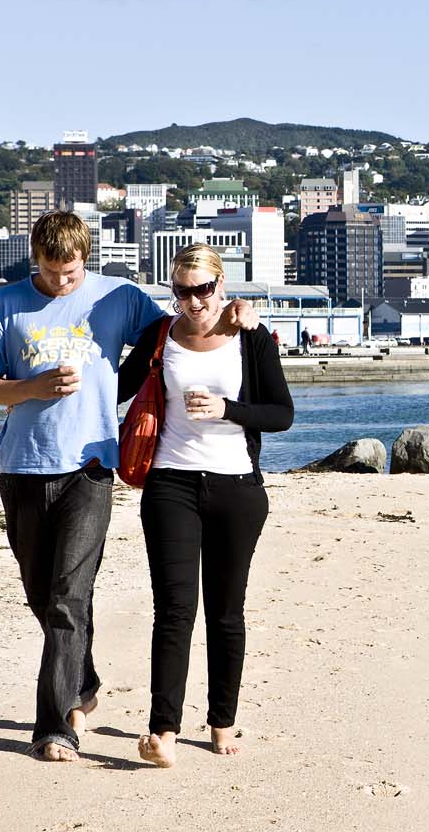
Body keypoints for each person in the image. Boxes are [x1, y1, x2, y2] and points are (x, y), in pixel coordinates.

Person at [0, 213, 253, 762]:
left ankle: (54, 728)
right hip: (22, 468)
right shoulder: (4, 304)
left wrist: (239, 310)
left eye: (70, 272)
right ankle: (82, 681)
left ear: (85, 258)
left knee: (67, 599)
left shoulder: (118, 298)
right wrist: (31, 387)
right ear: (36, 259)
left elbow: (181, 324)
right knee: (41, 595)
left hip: (93, 467)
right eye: (50, 273)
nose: (60, 283)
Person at [118, 243, 293, 769]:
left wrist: (227, 408)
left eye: (203, 289)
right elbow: (114, 387)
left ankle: (221, 722)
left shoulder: (251, 338)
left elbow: (281, 414)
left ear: (222, 285)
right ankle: (162, 731)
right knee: (173, 611)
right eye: (182, 291)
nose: (193, 301)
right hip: (170, 481)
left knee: (225, 612)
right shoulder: (160, 335)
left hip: (236, 487)